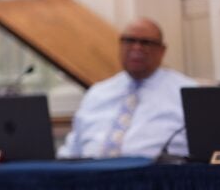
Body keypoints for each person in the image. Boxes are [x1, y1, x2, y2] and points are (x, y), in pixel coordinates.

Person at [58, 16, 196, 159]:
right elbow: (71, 151)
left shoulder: (186, 93)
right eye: (129, 41)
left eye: (146, 42)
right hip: (90, 176)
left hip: (156, 178)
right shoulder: (97, 93)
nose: (136, 47)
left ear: (162, 50)